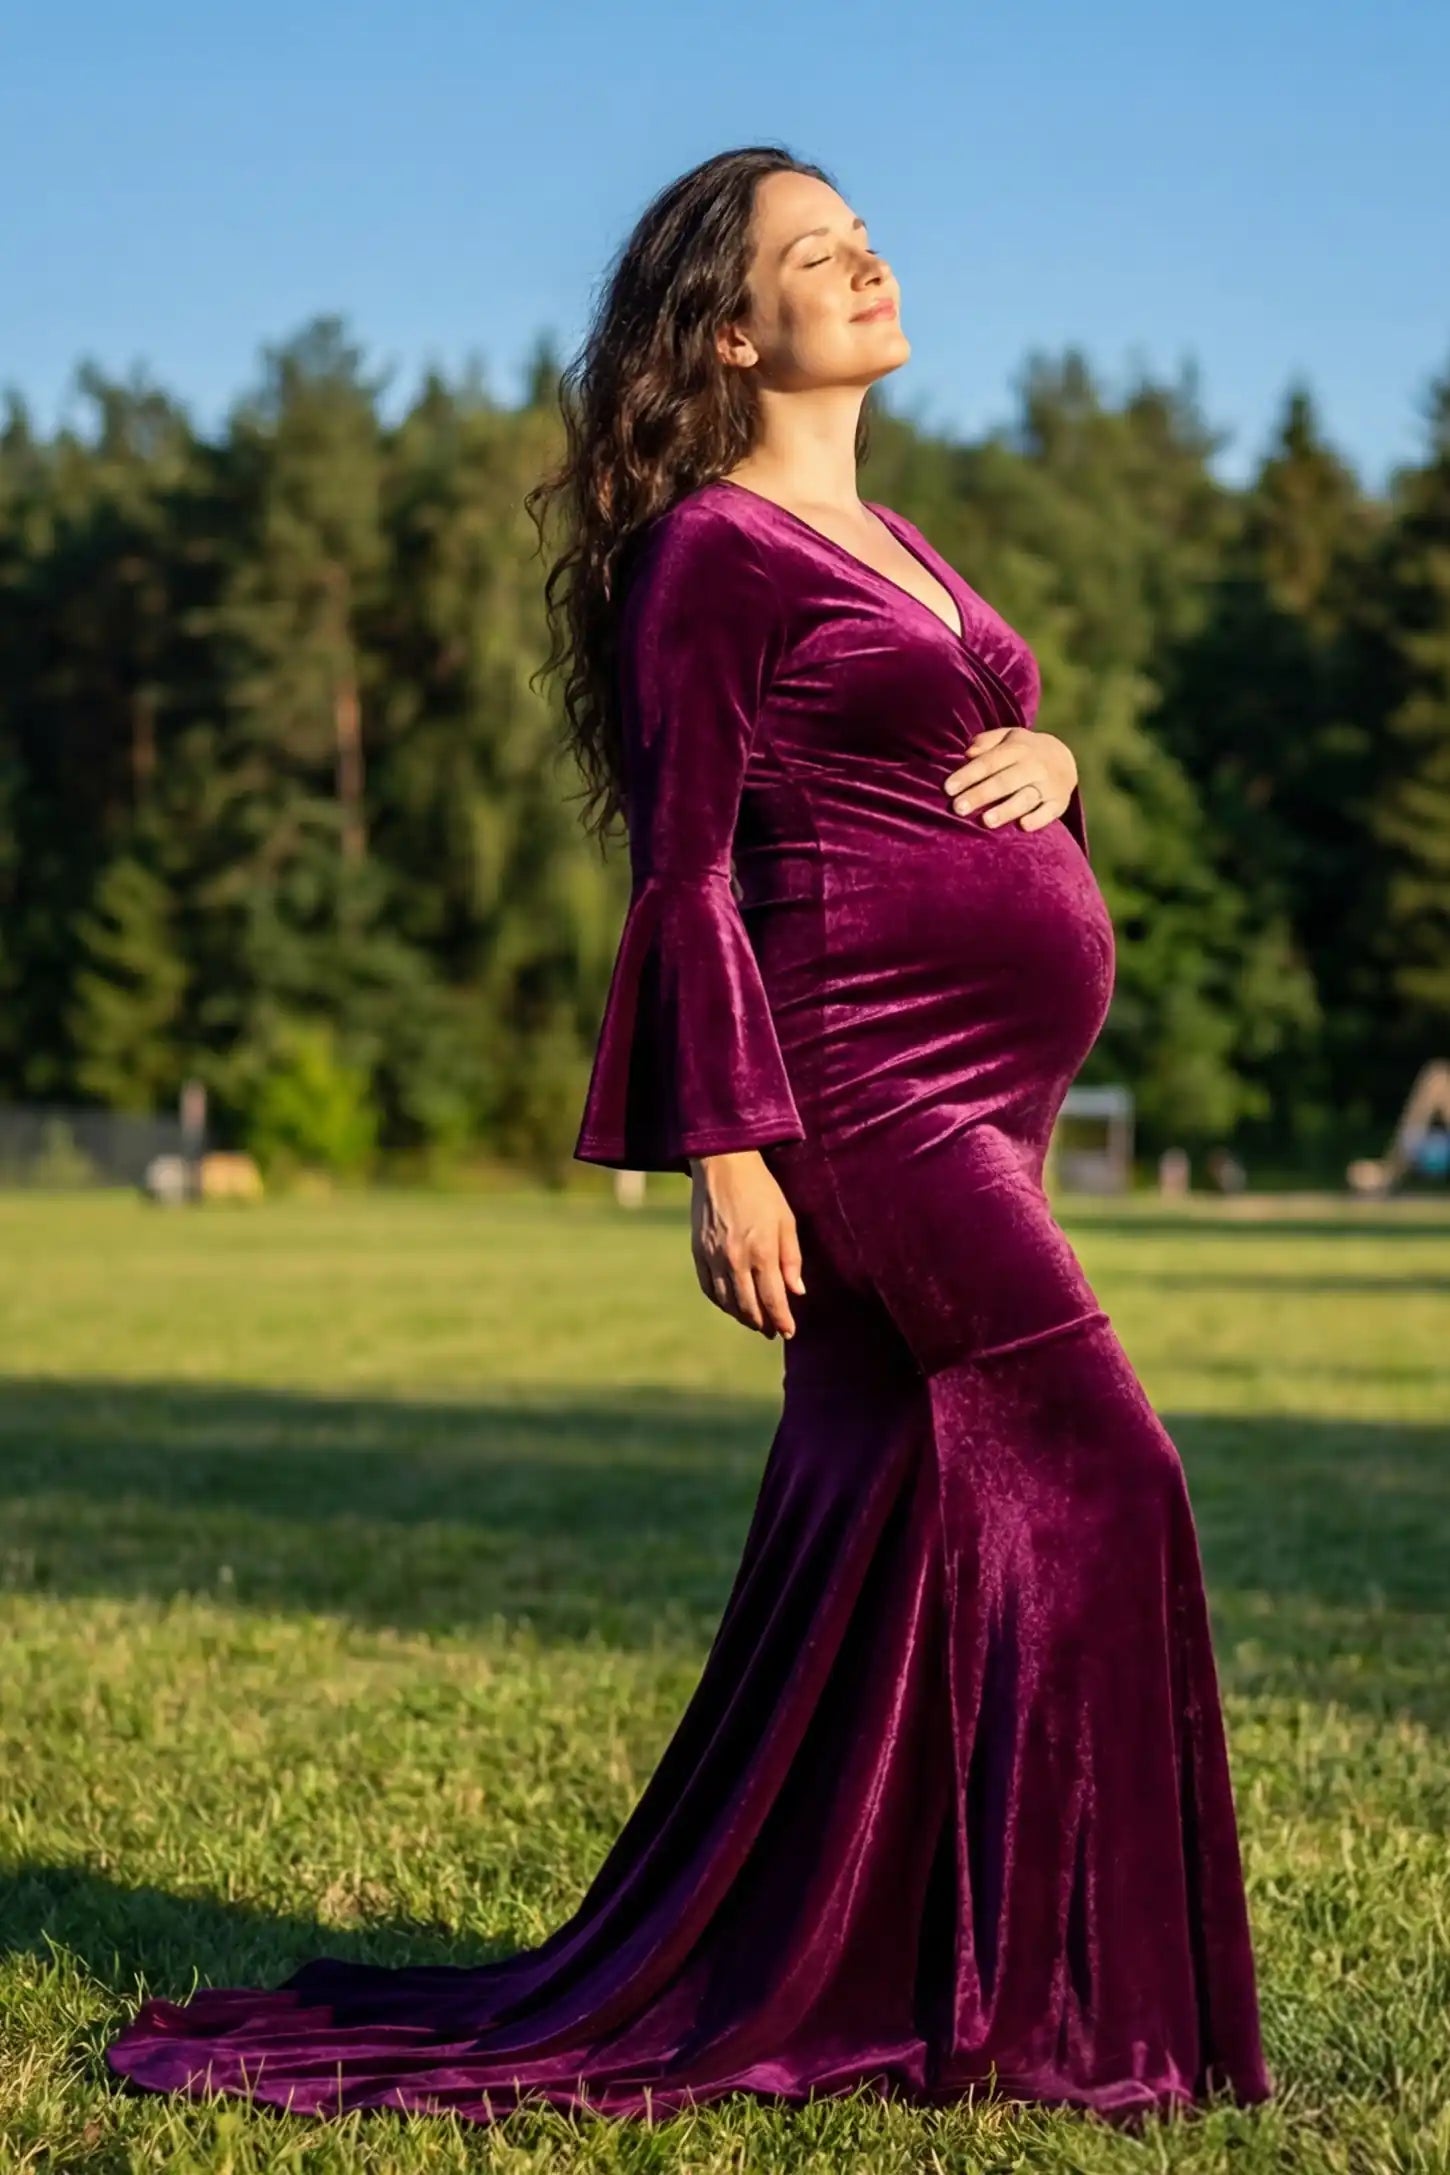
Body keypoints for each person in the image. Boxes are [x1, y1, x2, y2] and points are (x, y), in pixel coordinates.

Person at [106, 145, 1274, 2131]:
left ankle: (868, 1956)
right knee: (1097, 1462)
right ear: (733, 331)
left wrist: (1055, 757)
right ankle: (1076, 2010)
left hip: (982, 1079)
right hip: (859, 1081)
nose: (867, 259)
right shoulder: (706, 554)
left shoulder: (894, 528)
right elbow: (686, 870)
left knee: (895, 1507)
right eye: (817, 254)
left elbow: (969, 742)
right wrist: (725, 1147)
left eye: (862, 231)